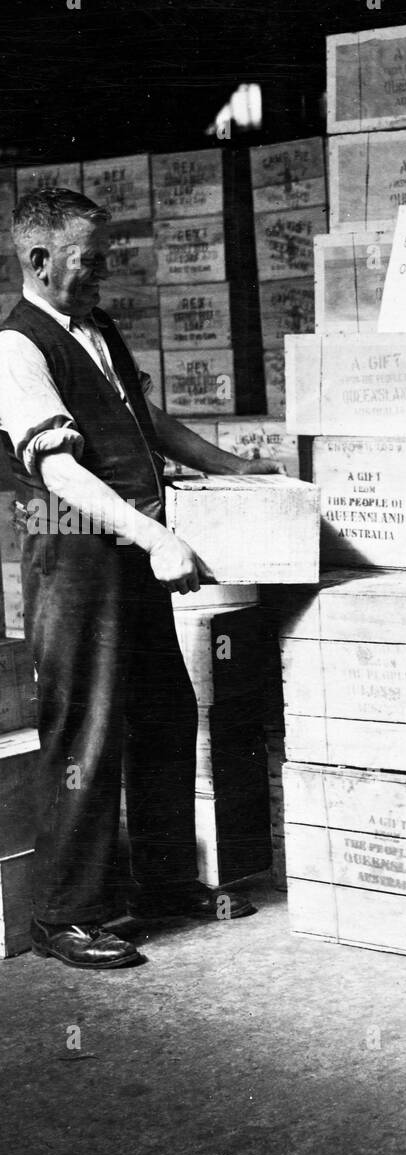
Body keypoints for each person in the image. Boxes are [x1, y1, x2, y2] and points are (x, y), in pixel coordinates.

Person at [0, 186, 279, 969]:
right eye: (93, 257)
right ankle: (65, 915)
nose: (105, 269)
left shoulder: (96, 328)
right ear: (40, 259)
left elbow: (141, 421)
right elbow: (58, 470)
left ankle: (161, 884)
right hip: (78, 564)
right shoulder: (17, 348)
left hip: (133, 557)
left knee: (164, 714)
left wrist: (233, 466)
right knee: (86, 731)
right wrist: (155, 535)